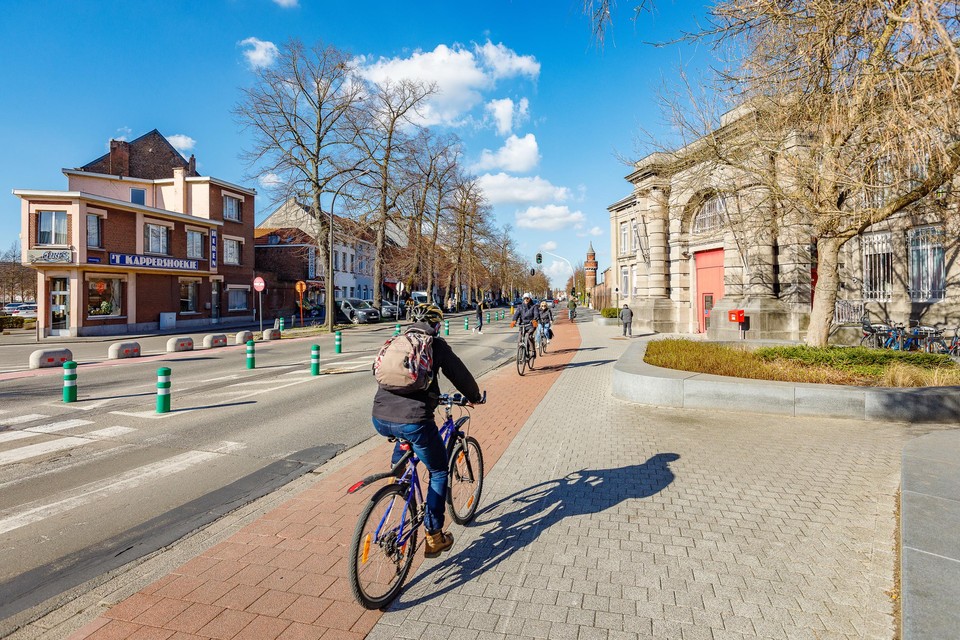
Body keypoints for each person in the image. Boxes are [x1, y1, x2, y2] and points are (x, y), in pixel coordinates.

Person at [371, 305, 483, 557]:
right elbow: (459, 374)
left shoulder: (397, 341)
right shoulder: (435, 344)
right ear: (436, 325)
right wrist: (474, 396)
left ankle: (397, 487)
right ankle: (434, 536)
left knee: (405, 444)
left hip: (379, 417)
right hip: (414, 420)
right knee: (439, 470)